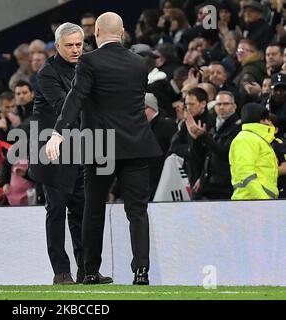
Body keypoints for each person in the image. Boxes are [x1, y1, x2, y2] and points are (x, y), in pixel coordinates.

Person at [46, 13, 162, 285]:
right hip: (136, 145)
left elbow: (76, 97)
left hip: (101, 147)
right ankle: (141, 270)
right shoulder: (139, 62)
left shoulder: (88, 61)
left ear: (95, 31)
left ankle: (89, 270)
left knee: (94, 209)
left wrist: (58, 132)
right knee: (137, 211)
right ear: (122, 32)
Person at [30, 22, 87, 285]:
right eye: (70, 45)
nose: (76, 50)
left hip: (77, 147)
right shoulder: (47, 73)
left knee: (80, 209)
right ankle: (61, 271)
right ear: (58, 46)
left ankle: (86, 269)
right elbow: (65, 105)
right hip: (50, 149)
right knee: (57, 209)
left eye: (79, 44)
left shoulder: (85, 67)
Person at [190, 91, 241, 199]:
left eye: (226, 104)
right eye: (218, 104)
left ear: (234, 106)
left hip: (225, 186)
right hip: (208, 183)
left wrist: (204, 136)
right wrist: (202, 177)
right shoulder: (213, 126)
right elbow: (207, 155)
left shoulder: (238, 128)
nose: (222, 107)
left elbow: (225, 153)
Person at [229, 103, 279, 200]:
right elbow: (245, 172)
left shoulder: (257, 139)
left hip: (256, 201)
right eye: (267, 119)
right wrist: (263, 199)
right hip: (251, 202)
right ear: (260, 120)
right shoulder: (245, 139)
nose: (269, 123)